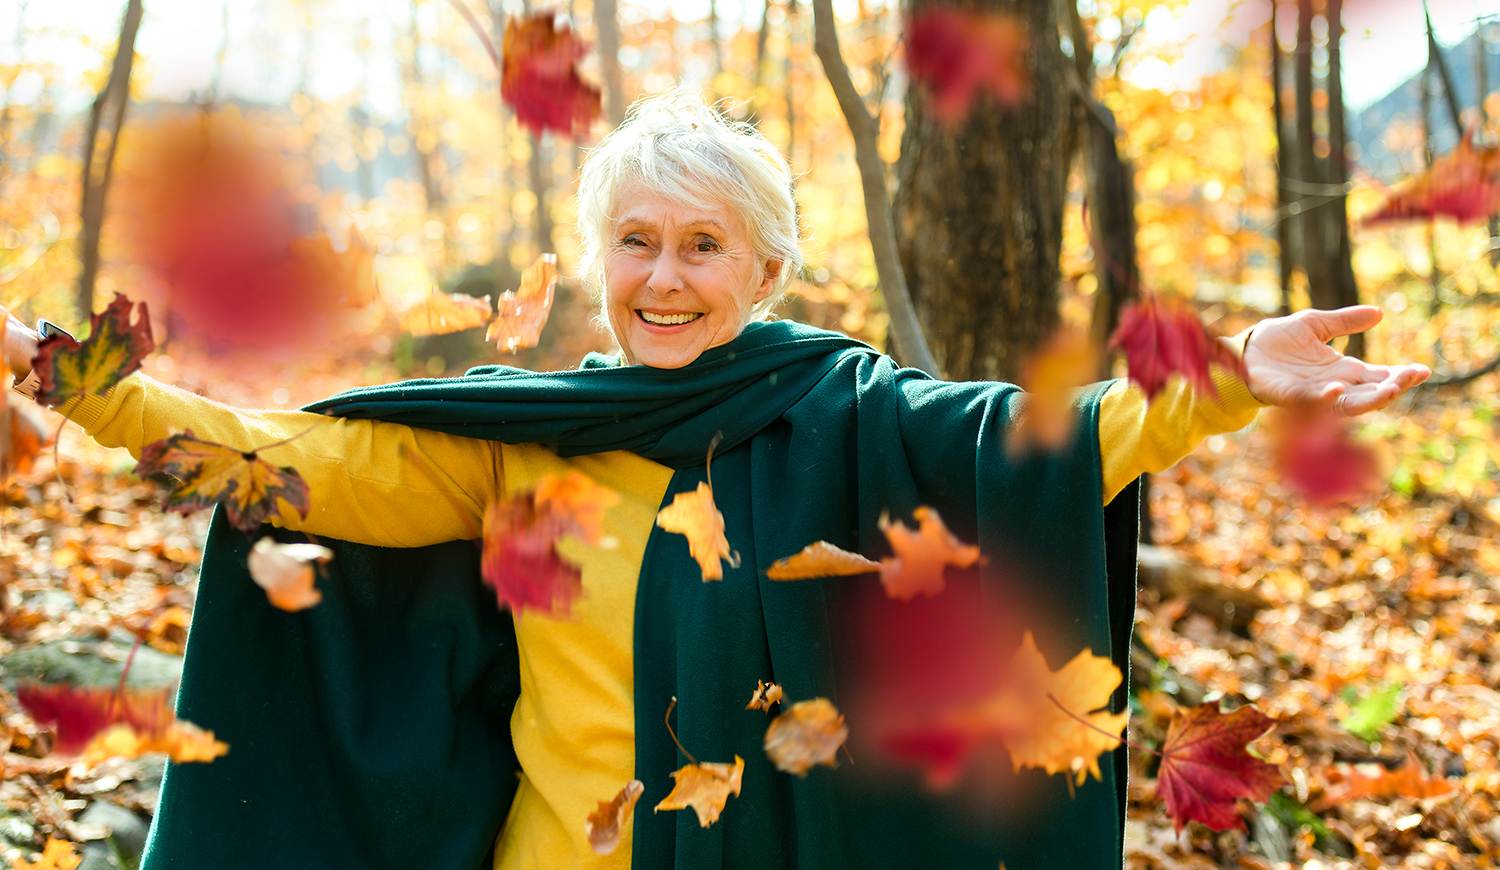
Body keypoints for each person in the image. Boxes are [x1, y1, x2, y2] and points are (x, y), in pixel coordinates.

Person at [3, 89, 1427, 870]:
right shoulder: (522, 439)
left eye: (701, 244)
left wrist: (1237, 368)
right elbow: (297, 470)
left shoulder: (856, 419)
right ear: (595, 258)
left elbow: (1063, 441)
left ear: (764, 268)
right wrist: (89, 390)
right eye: (635, 239)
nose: (663, 275)